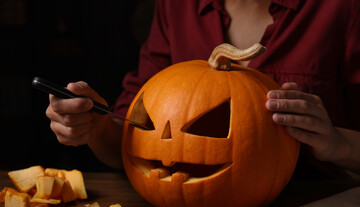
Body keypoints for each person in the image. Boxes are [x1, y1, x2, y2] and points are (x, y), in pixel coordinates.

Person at [45, 0, 360, 176]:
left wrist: (338, 144)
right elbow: (133, 140)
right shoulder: (176, 7)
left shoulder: (343, 9)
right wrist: (94, 127)